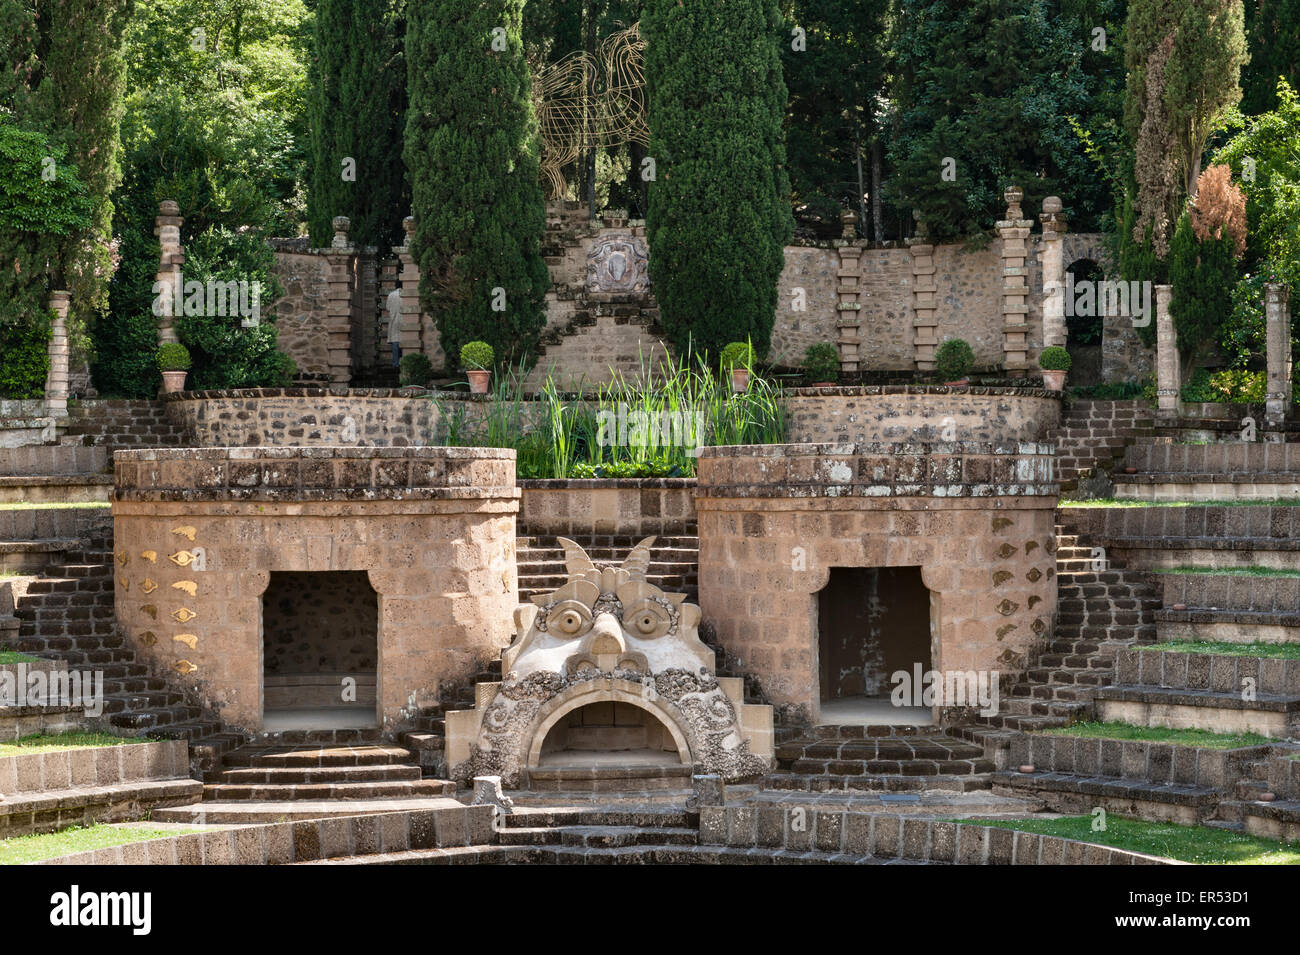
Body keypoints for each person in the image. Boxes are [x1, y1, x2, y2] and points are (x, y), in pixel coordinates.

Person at [386, 287, 403, 368]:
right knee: (404, 340)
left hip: (394, 320)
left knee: (395, 342)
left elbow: (388, 308)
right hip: (404, 319)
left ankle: (396, 363)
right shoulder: (405, 294)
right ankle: (403, 361)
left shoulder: (391, 295)